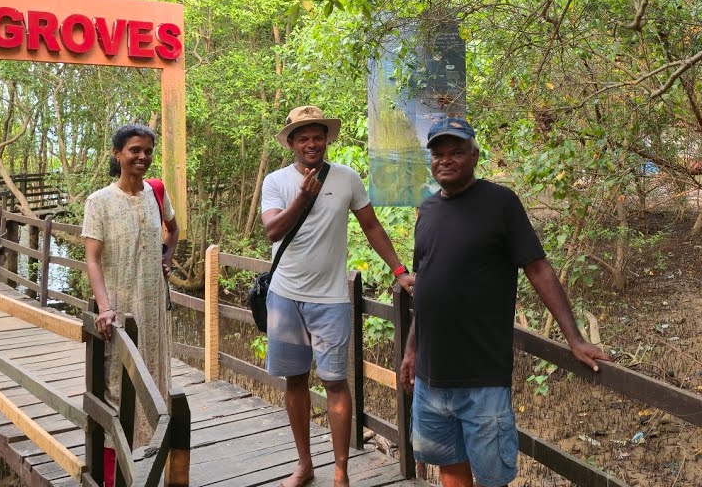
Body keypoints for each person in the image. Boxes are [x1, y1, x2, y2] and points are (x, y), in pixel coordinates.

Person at [399, 116, 610, 487]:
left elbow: (539, 269)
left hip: (482, 377)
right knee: (448, 465)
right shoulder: (428, 210)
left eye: (456, 152)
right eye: (438, 153)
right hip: (432, 378)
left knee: (493, 478)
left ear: (475, 155)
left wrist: (574, 339)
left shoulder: (500, 203)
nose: (445, 160)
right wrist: (412, 349)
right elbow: (426, 285)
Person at [261, 105, 415, 487]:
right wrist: (302, 197)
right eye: (303, 137)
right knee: (295, 380)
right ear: (292, 143)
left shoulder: (347, 178)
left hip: (330, 299)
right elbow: (272, 232)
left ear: (326, 139)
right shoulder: (276, 181)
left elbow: (372, 226)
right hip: (285, 297)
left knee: (335, 382)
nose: (311, 143)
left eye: (318, 136)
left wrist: (400, 271)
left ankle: (341, 471)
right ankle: (304, 465)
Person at [81, 124, 179, 484]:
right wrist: (105, 308)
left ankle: (150, 456)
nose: (142, 157)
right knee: (114, 387)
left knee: (153, 379)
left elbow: (173, 229)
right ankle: (111, 475)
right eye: (135, 150)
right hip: (118, 308)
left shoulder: (156, 192)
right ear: (117, 154)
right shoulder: (99, 201)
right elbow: (92, 259)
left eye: (148, 151)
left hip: (152, 307)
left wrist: (166, 258)